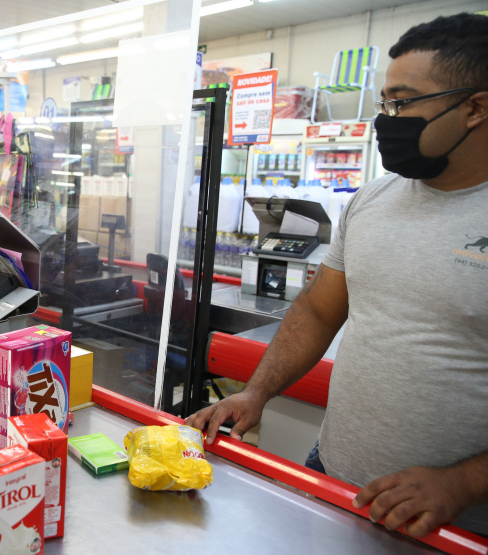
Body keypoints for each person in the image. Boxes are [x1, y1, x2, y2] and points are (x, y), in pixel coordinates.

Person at [188, 13, 488, 538]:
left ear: (476, 108)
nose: (387, 120)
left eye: (403, 102)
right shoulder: (372, 200)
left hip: (457, 522)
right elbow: (319, 310)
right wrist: (256, 393)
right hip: (333, 477)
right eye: (383, 104)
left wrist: (462, 482)